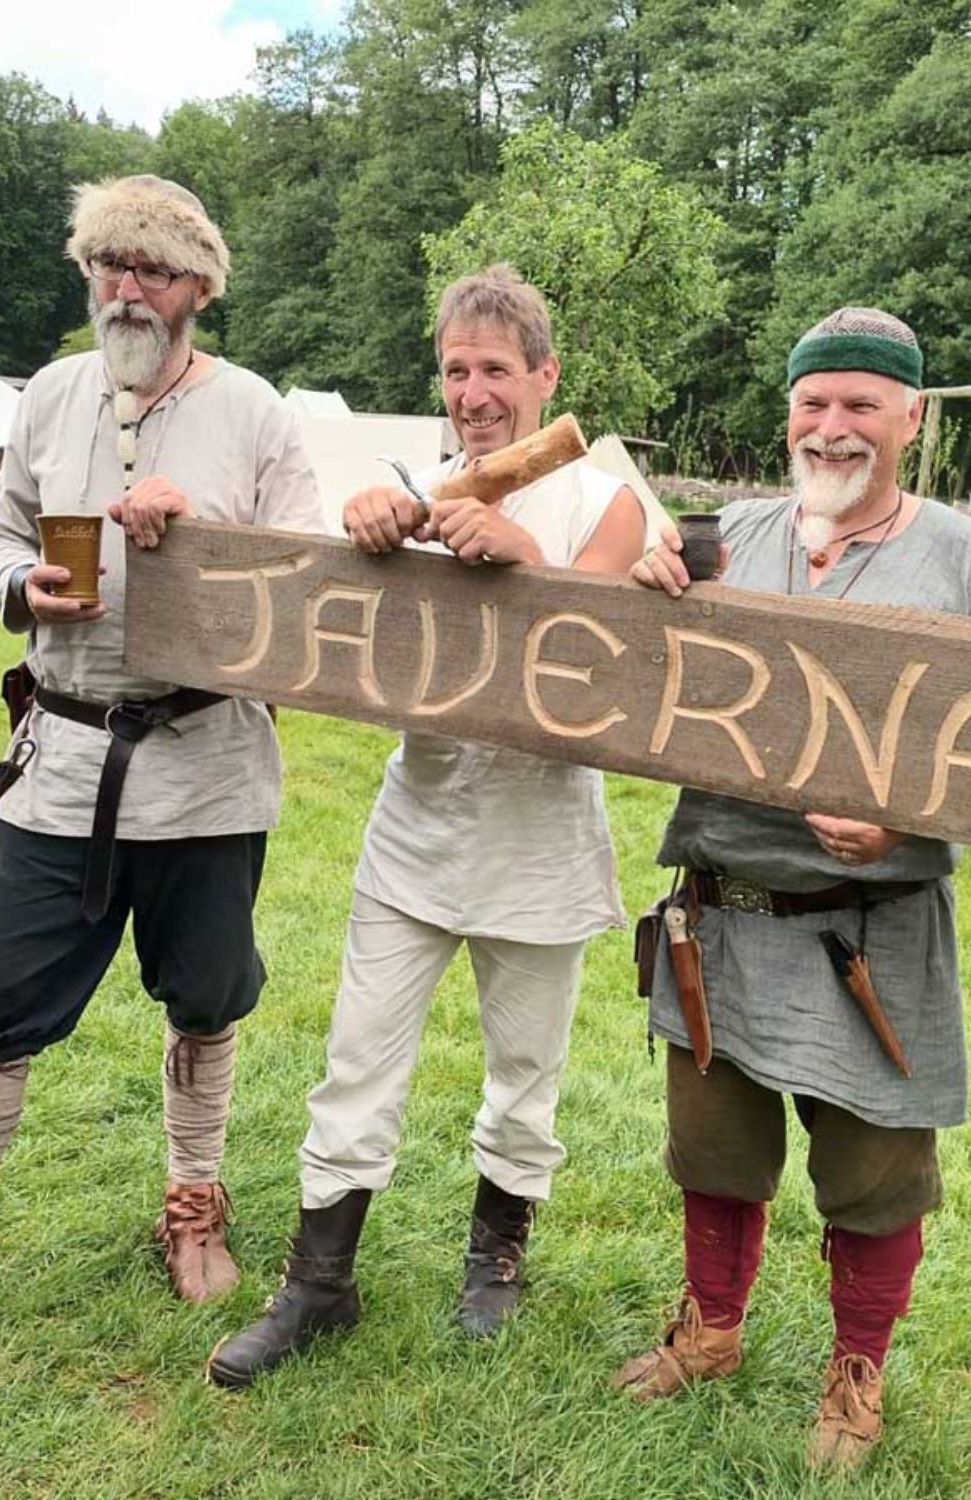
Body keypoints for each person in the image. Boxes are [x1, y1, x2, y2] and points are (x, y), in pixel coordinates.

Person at [207, 265, 646, 1387]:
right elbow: (343, 619)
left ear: (545, 376)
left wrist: (527, 562)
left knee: (525, 1070)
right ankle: (318, 1284)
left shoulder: (607, 498)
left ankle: (496, 1259)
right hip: (418, 825)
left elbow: (608, 676)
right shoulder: (414, 486)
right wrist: (365, 528)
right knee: (356, 1060)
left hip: (544, 837)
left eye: (497, 368)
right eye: (457, 370)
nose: (475, 392)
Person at [612, 307, 971, 1468]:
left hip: (870, 929)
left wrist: (909, 818)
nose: (833, 426)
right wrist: (642, 586)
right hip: (723, 914)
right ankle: (712, 1330)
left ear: (910, 417)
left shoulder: (964, 560)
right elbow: (636, 676)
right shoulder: (722, 537)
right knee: (713, 1145)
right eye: (814, 403)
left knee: (876, 1169)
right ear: (787, 414)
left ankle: (856, 1375)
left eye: (860, 405)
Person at [0, 175, 324, 1307]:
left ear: (196, 288)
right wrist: (23, 588)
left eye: (153, 268)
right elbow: (1, 533)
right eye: (110, 263)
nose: (128, 288)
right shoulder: (51, 396)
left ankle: (193, 1204)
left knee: (205, 999)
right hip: (59, 765)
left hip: (205, 767)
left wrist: (197, 538)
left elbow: (304, 583)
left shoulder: (253, 411)